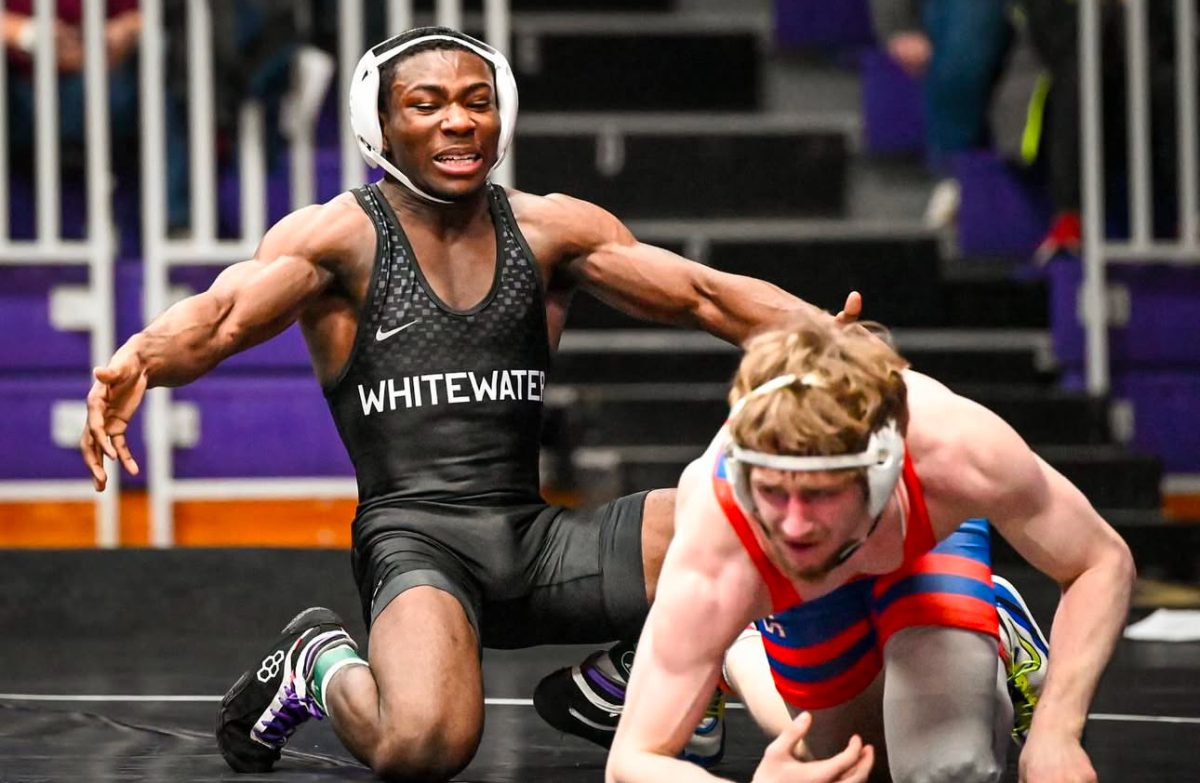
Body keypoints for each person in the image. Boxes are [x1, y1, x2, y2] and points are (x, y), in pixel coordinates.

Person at [79, 27, 862, 781]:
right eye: (427, 103)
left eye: (477, 100)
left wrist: (821, 332)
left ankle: (624, 682)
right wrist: (140, 357)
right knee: (422, 746)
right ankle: (318, 662)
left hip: (539, 539)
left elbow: (703, 296)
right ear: (380, 125)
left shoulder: (551, 228)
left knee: (748, 522)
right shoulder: (337, 238)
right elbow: (222, 316)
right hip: (420, 543)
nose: (459, 119)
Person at [606, 314, 1135, 783]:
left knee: (947, 769)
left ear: (880, 472)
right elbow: (632, 761)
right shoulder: (719, 528)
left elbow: (1099, 560)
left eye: (818, 495)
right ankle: (739, 647)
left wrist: (1056, 731)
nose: (794, 525)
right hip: (780, 581)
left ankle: (989, 624)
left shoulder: (951, 450)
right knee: (854, 767)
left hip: (919, 544)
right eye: (772, 490)